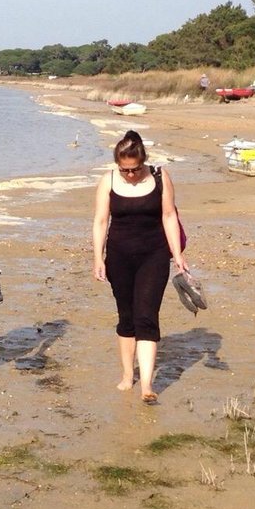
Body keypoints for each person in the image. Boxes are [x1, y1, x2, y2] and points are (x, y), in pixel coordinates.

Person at [92, 129, 189, 404]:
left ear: (143, 161)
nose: (130, 176)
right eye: (125, 170)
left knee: (147, 315)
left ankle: (146, 385)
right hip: (119, 256)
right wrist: (97, 257)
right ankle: (127, 375)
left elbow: (169, 216)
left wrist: (177, 254)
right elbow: (100, 221)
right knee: (127, 316)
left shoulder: (160, 176)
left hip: (154, 255)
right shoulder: (108, 180)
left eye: (134, 169)